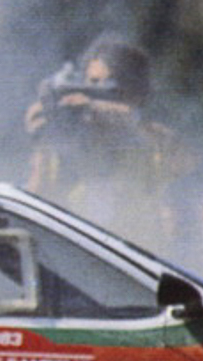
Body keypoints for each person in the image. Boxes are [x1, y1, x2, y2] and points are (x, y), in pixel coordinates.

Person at [25, 34, 183, 249]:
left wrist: (96, 108)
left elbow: (172, 153)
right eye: (91, 83)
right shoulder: (70, 144)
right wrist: (43, 140)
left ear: (133, 92)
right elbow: (36, 201)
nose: (94, 92)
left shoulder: (150, 142)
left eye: (108, 86)